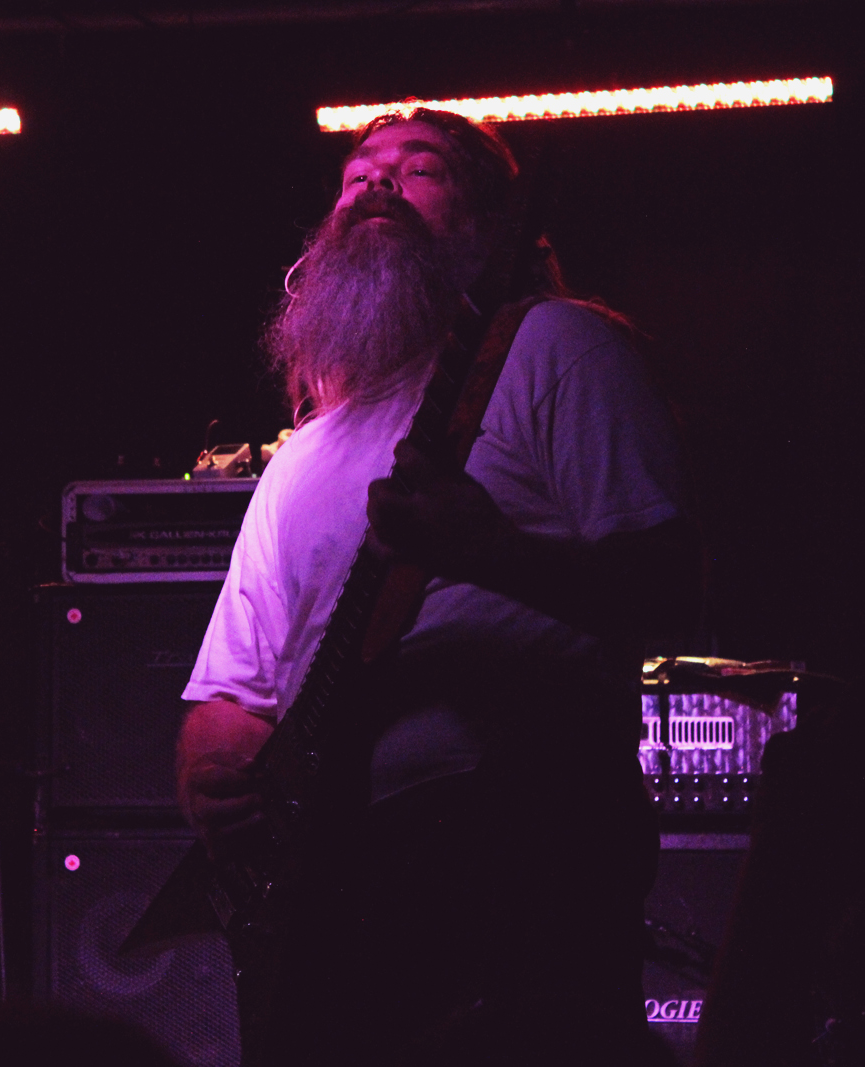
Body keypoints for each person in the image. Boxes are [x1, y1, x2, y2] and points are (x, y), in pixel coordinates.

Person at [177, 109, 699, 1065]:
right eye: (359, 174)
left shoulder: (554, 347)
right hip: (339, 867)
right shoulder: (301, 457)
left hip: (524, 836)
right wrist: (212, 776)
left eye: (421, 170)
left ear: (489, 230)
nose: (378, 182)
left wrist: (489, 551)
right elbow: (232, 690)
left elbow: (670, 585)